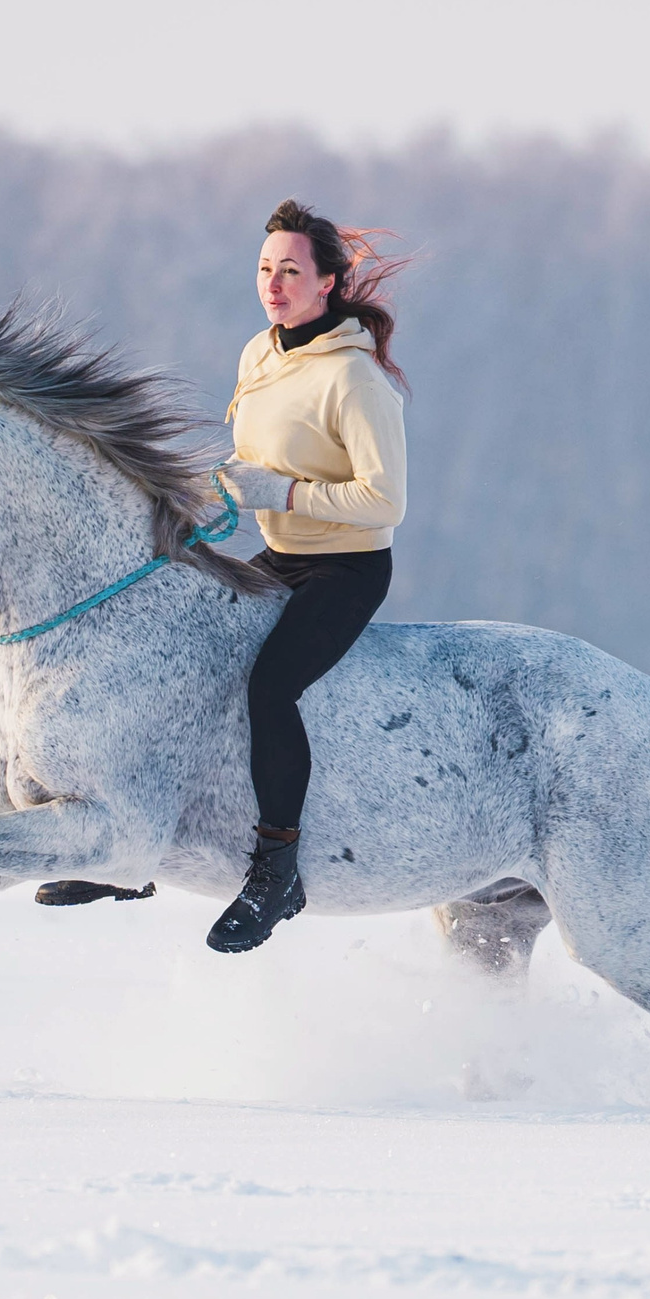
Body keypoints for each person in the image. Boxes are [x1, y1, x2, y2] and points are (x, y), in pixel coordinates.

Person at [201, 198, 411, 952]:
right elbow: (261, 462)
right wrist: (225, 493)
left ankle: (278, 870)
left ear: (328, 283)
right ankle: (143, 842)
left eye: (291, 271)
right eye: (264, 269)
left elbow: (386, 500)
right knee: (190, 651)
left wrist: (280, 494)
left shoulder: (355, 381)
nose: (274, 283)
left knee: (269, 685)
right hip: (280, 554)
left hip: (345, 569)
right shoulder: (259, 354)